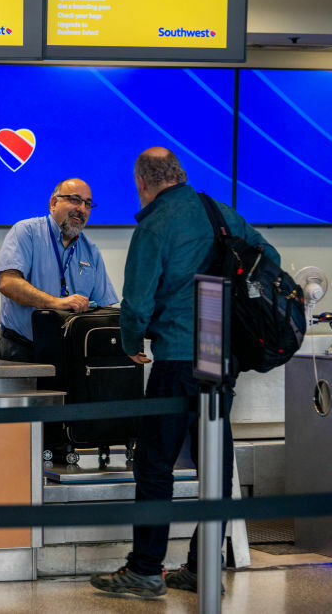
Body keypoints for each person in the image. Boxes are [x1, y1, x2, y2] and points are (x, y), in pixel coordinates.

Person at [91, 148, 280, 598]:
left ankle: (146, 569)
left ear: (142, 181)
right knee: (216, 465)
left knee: (155, 464)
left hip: (176, 357)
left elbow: (136, 301)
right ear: (180, 174)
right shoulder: (218, 211)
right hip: (220, 355)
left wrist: (132, 344)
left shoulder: (154, 224)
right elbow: (267, 255)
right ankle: (201, 566)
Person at [0, 178, 118, 362]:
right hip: (20, 350)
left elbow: (104, 307)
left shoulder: (91, 250)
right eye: (75, 200)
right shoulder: (26, 232)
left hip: (69, 354)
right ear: (53, 203)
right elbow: (8, 283)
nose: (82, 209)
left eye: (88, 204)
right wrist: (57, 303)